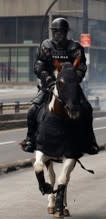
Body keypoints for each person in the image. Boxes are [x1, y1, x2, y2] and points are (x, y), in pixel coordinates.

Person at [21, 17, 99, 155]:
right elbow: (39, 67)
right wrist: (50, 81)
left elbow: (81, 67)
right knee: (32, 110)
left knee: (87, 109)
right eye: (55, 32)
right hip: (49, 86)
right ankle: (30, 139)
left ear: (66, 32)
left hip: (70, 88)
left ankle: (90, 141)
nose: (58, 35)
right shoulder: (46, 46)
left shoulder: (75, 47)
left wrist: (74, 80)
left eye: (61, 32)